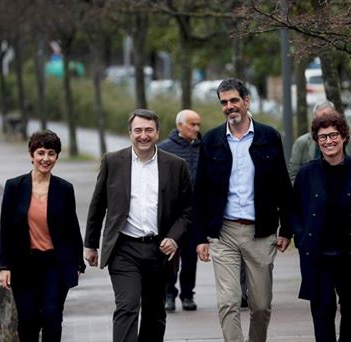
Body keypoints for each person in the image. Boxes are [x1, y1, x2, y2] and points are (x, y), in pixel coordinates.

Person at [194, 78, 293, 342]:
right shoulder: (213, 140)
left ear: (246, 101)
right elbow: (200, 191)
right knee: (228, 301)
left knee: (260, 306)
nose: (229, 107)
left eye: (234, 100)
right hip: (223, 231)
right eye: (224, 102)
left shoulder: (269, 137)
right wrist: (200, 237)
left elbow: (282, 184)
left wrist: (287, 229)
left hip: (260, 231)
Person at [84, 109, 192, 342]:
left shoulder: (176, 165)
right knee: (127, 306)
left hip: (159, 250)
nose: (143, 135)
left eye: (149, 130)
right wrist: (90, 244)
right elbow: (98, 204)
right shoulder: (113, 161)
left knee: (155, 312)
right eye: (138, 130)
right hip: (123, 248)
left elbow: (188, 210)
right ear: (130, 133)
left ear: (157, 133)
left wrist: (174, 238)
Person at [290, 111, 351, 342]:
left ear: (344, 137)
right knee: (322, 309)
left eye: (333, 135)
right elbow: (294, 209)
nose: (328, 141)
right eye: (322, 137)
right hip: (319, 254)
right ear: (316, 141)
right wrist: (300, 235)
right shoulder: (307, 173)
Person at [0, 130, 85, 342]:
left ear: (57, 157)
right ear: (31, 154)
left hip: (55, 263)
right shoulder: (14, 187)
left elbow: (72, 228)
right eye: (41, 153)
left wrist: (78, 262)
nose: (46, 159)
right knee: (28, 320)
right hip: (24, 264)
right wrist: (4, 266)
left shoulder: (64, 189)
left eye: (51, 154)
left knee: (52, 317)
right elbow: (6, 229)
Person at [158, 109, 201, 312]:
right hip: (171, 216)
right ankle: (168, 294)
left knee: (191, 258)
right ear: (179, 126)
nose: (196, 129)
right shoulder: (164, 149)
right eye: (192, 124)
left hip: (195, 214)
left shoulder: (203, 148)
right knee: (170, 257)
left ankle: (187, 295)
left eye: (198, 124)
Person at [288, 100, 351, 183]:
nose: (325, 122)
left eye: (329, 117)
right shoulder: (301, 143)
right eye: (320, 118)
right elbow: (293, 176)